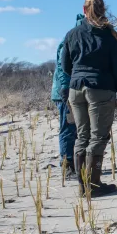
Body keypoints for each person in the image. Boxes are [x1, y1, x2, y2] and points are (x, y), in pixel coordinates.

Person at [62, 0, 117, 195]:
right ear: (103, 10)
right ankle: (93, 185)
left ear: (84, 10)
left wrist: (77, 76)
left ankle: (83, 186)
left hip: (76, 88)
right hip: (100, 88)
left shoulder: (72, 33)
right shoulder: (110, 36)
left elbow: (65, 66)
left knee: (82, 136)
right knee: (98, 137)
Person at [51, 13, 83, 179]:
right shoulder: (72, 36)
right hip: (65, 91)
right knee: (68, 128)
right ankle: (67, 165)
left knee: (78, 129)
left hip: (78, 90)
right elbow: (62, 65)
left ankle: (78, 164)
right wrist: (65, 89)